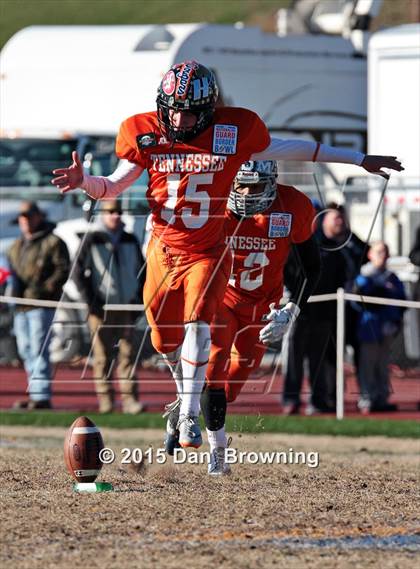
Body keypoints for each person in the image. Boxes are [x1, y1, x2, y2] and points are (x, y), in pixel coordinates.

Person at [51, 60, 403, 448]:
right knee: (163, 340)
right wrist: (85, 182)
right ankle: (183, 396)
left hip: (208, 251)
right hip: (164, 250)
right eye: (173, 109)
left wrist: (358, 158)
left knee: (199, 324)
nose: (180, 118)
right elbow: (113, 186)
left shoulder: (234, 131)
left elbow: (300, 149)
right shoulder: (144, 131)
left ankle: (188, 416)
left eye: (188, 110)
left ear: (207, 108)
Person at [164, 160, 321, 473]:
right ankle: (218, 455)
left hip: (264, 305)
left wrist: (292, 309)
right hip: (221, 298)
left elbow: (312, 267)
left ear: (272, 183)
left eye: (256, 186)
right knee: (215, 372)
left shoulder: (292, 206)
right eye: (241, 185)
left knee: (230, 390)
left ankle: (185, 405)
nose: (247, 193)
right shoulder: (214, 206)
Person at [73, 199, 145, 414]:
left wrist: (138, 300)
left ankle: (130, 400)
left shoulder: (130, 239)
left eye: (118, 211)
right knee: (103, 357)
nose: (115, 215)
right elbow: (77, 273)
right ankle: (106, 402)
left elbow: (142, 272)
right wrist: (92, 301)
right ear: (103, 214)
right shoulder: (91, 239)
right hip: (101, 308)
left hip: (127, 307)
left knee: (128, 355)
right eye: (111, 211)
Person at [8, 201, 70, 410]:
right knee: (25, 350)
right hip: (20, 305)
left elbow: (63, 270)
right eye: (22, 217)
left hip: (41, 304)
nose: (25, 221)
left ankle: (41, 395)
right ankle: (34, 392)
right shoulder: (16, 246)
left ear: (38, 217)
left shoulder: (53, 242)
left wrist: (43, 289)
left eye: (29, 216)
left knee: (38, 349)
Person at [283, 222, 348, 415]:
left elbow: (340, 276)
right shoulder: (291, 245)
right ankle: (291, 399)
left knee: (318, 359)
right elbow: (285, 273)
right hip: (298, 311)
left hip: (323, 312)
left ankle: (318, 399)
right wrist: (295, 299)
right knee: (294, 358)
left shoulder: (329, 247)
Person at [354, 241, 406, 413]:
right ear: (370, 254)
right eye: (379, 252)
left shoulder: (392, 277)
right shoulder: (363, 275)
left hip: (387, 327)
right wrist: (382, 290)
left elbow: (402, 300)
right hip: (369, 328)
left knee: (382, 365)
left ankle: (381, 398)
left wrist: (395, 321)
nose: (382, 256)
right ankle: (366, 398)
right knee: (368, 364)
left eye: (385, 252)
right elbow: (360, 298)